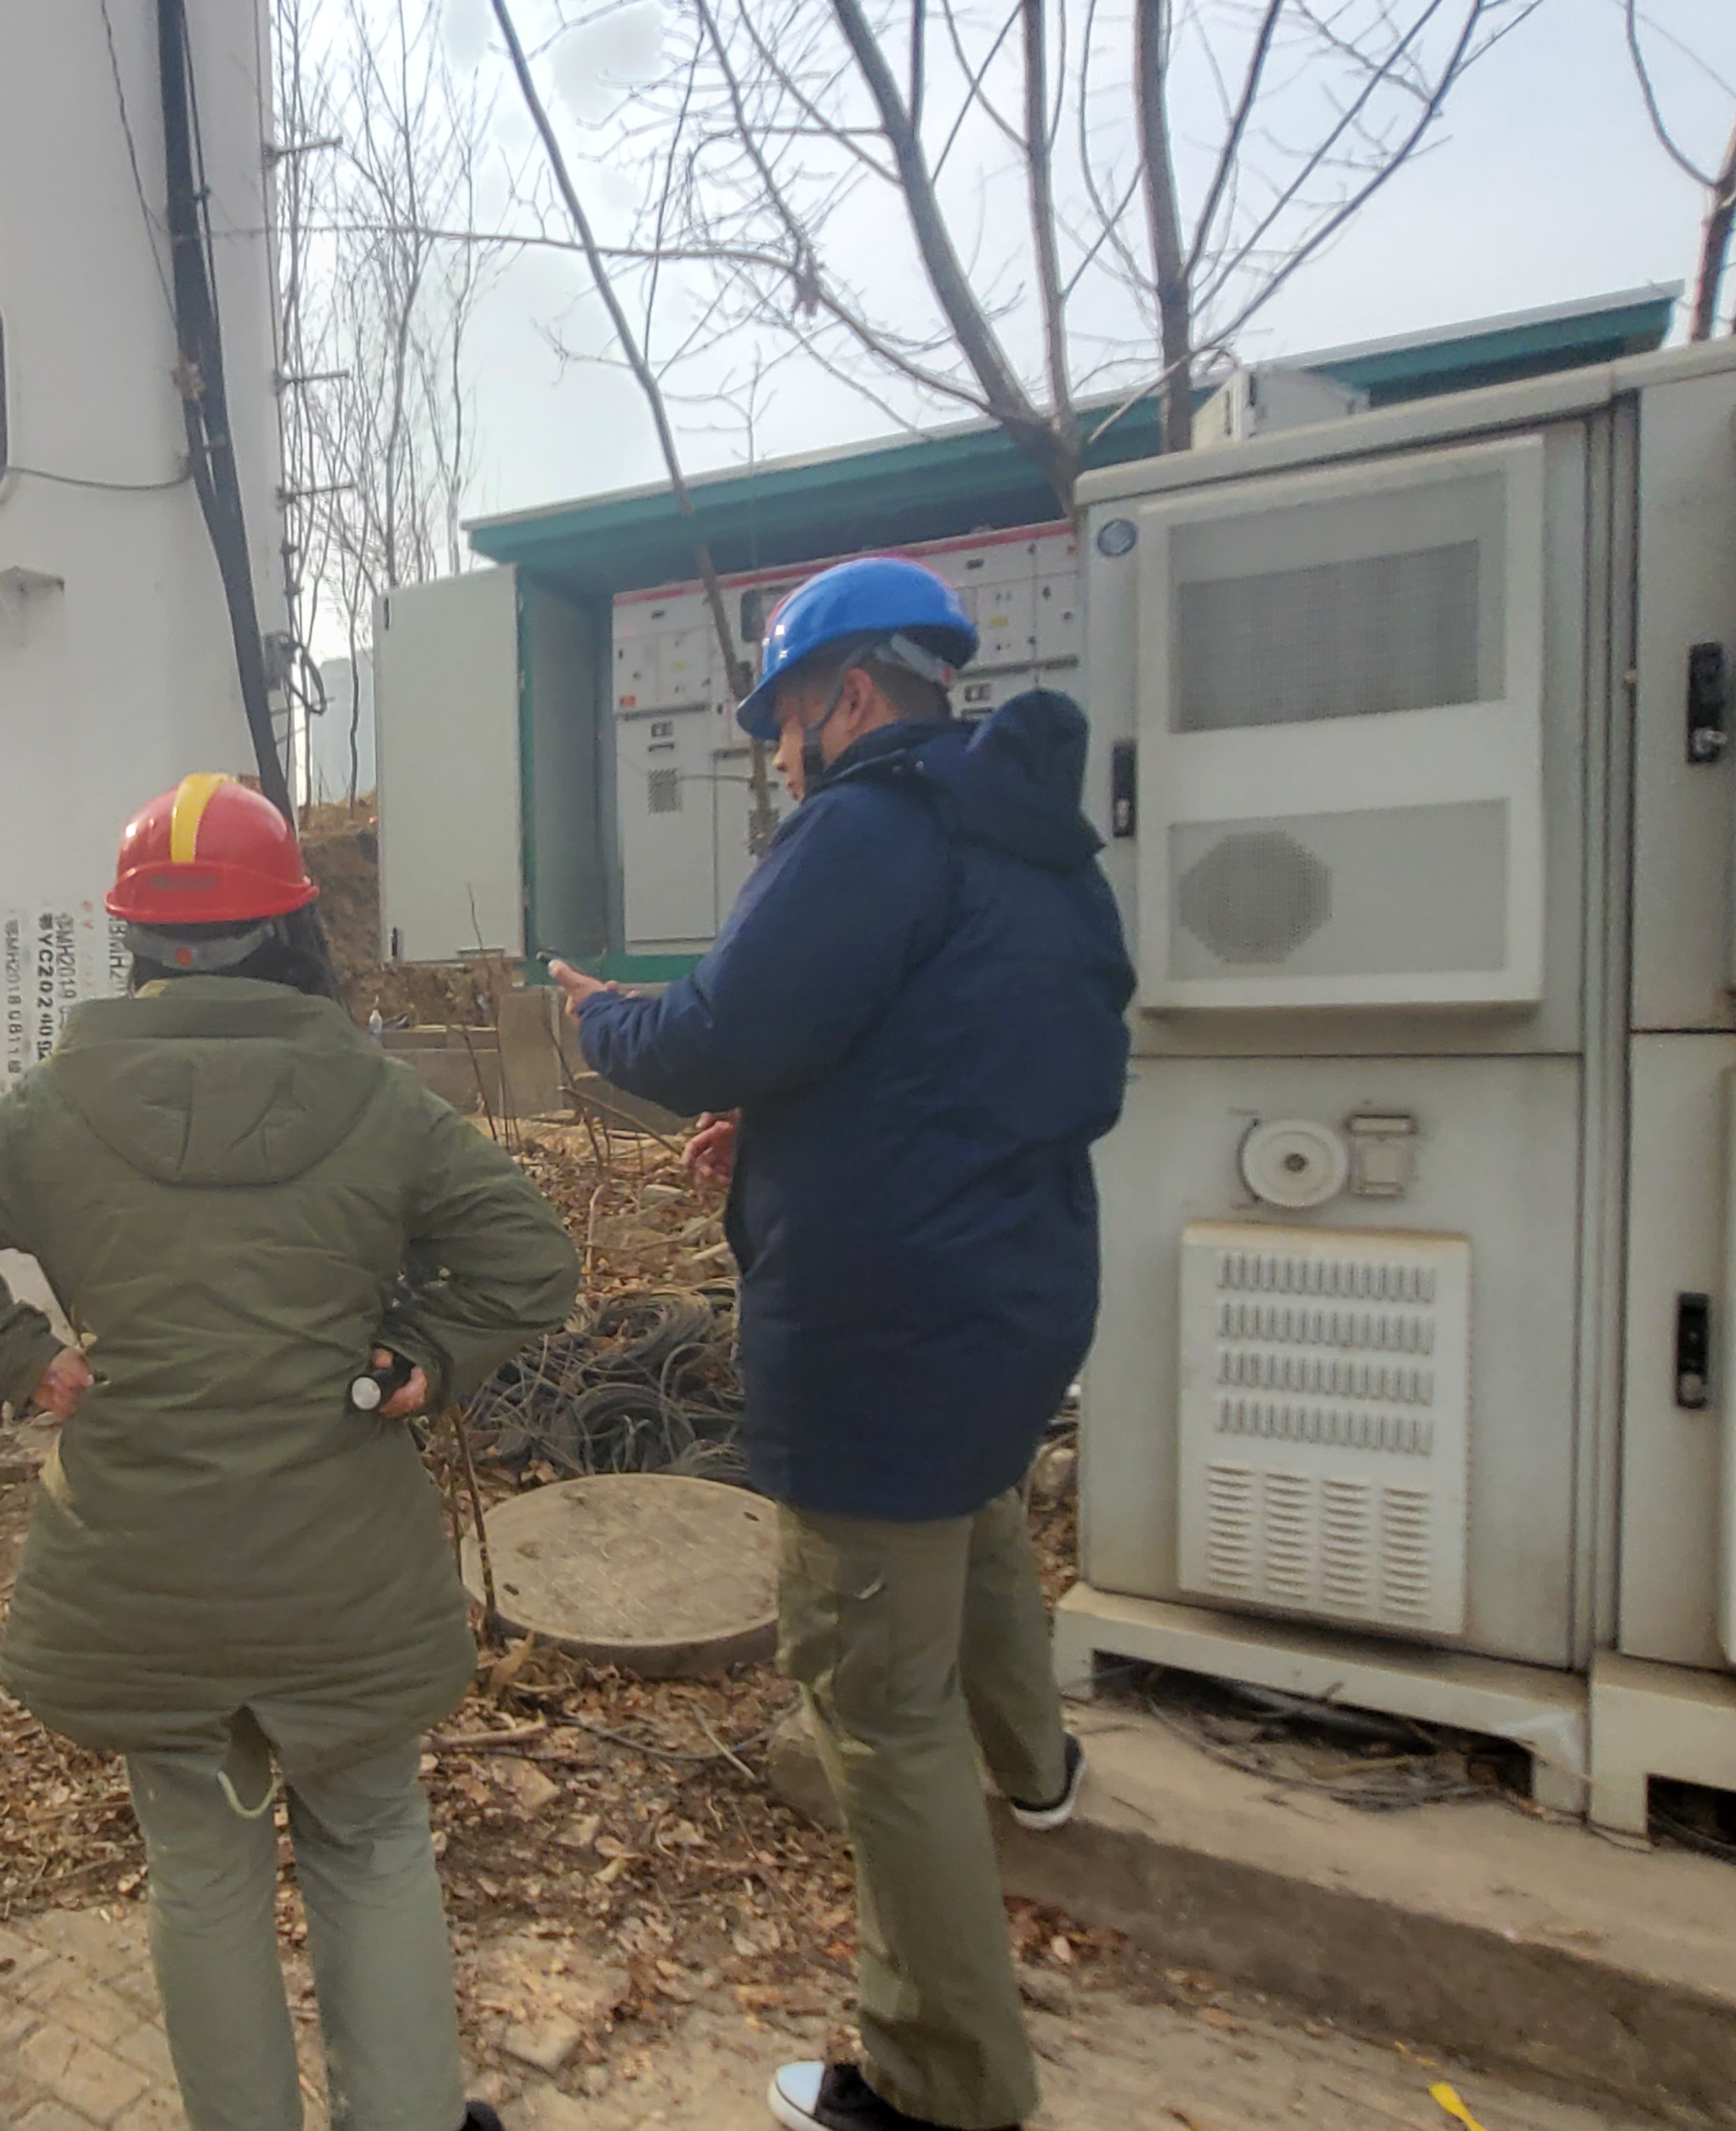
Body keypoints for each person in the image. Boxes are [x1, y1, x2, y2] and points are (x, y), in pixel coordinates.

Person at [0, 773, 578, 2131]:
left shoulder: (60, 1101)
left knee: (201, 1870)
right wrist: (423, 1354)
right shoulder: (373, 1091)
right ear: (291, 926)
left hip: (147, 1564)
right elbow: (529, 1258)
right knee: (368, 1843)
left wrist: (24, 1359)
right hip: (339, 1561)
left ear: (136, 939)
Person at [551, 558, 1134, 2131]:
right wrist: (795, 1130)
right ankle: (1040, 1772)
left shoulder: (866, 829)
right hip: (1012, 1291)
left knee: (875, 1707)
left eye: (782, 721)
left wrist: (598, 1021)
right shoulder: (1036, 847)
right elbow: (960, 1051)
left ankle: (939, 2081)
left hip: (881, 1324)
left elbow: (718, 1030)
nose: (776, 753)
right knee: (977, 1510)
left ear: (847, 698)